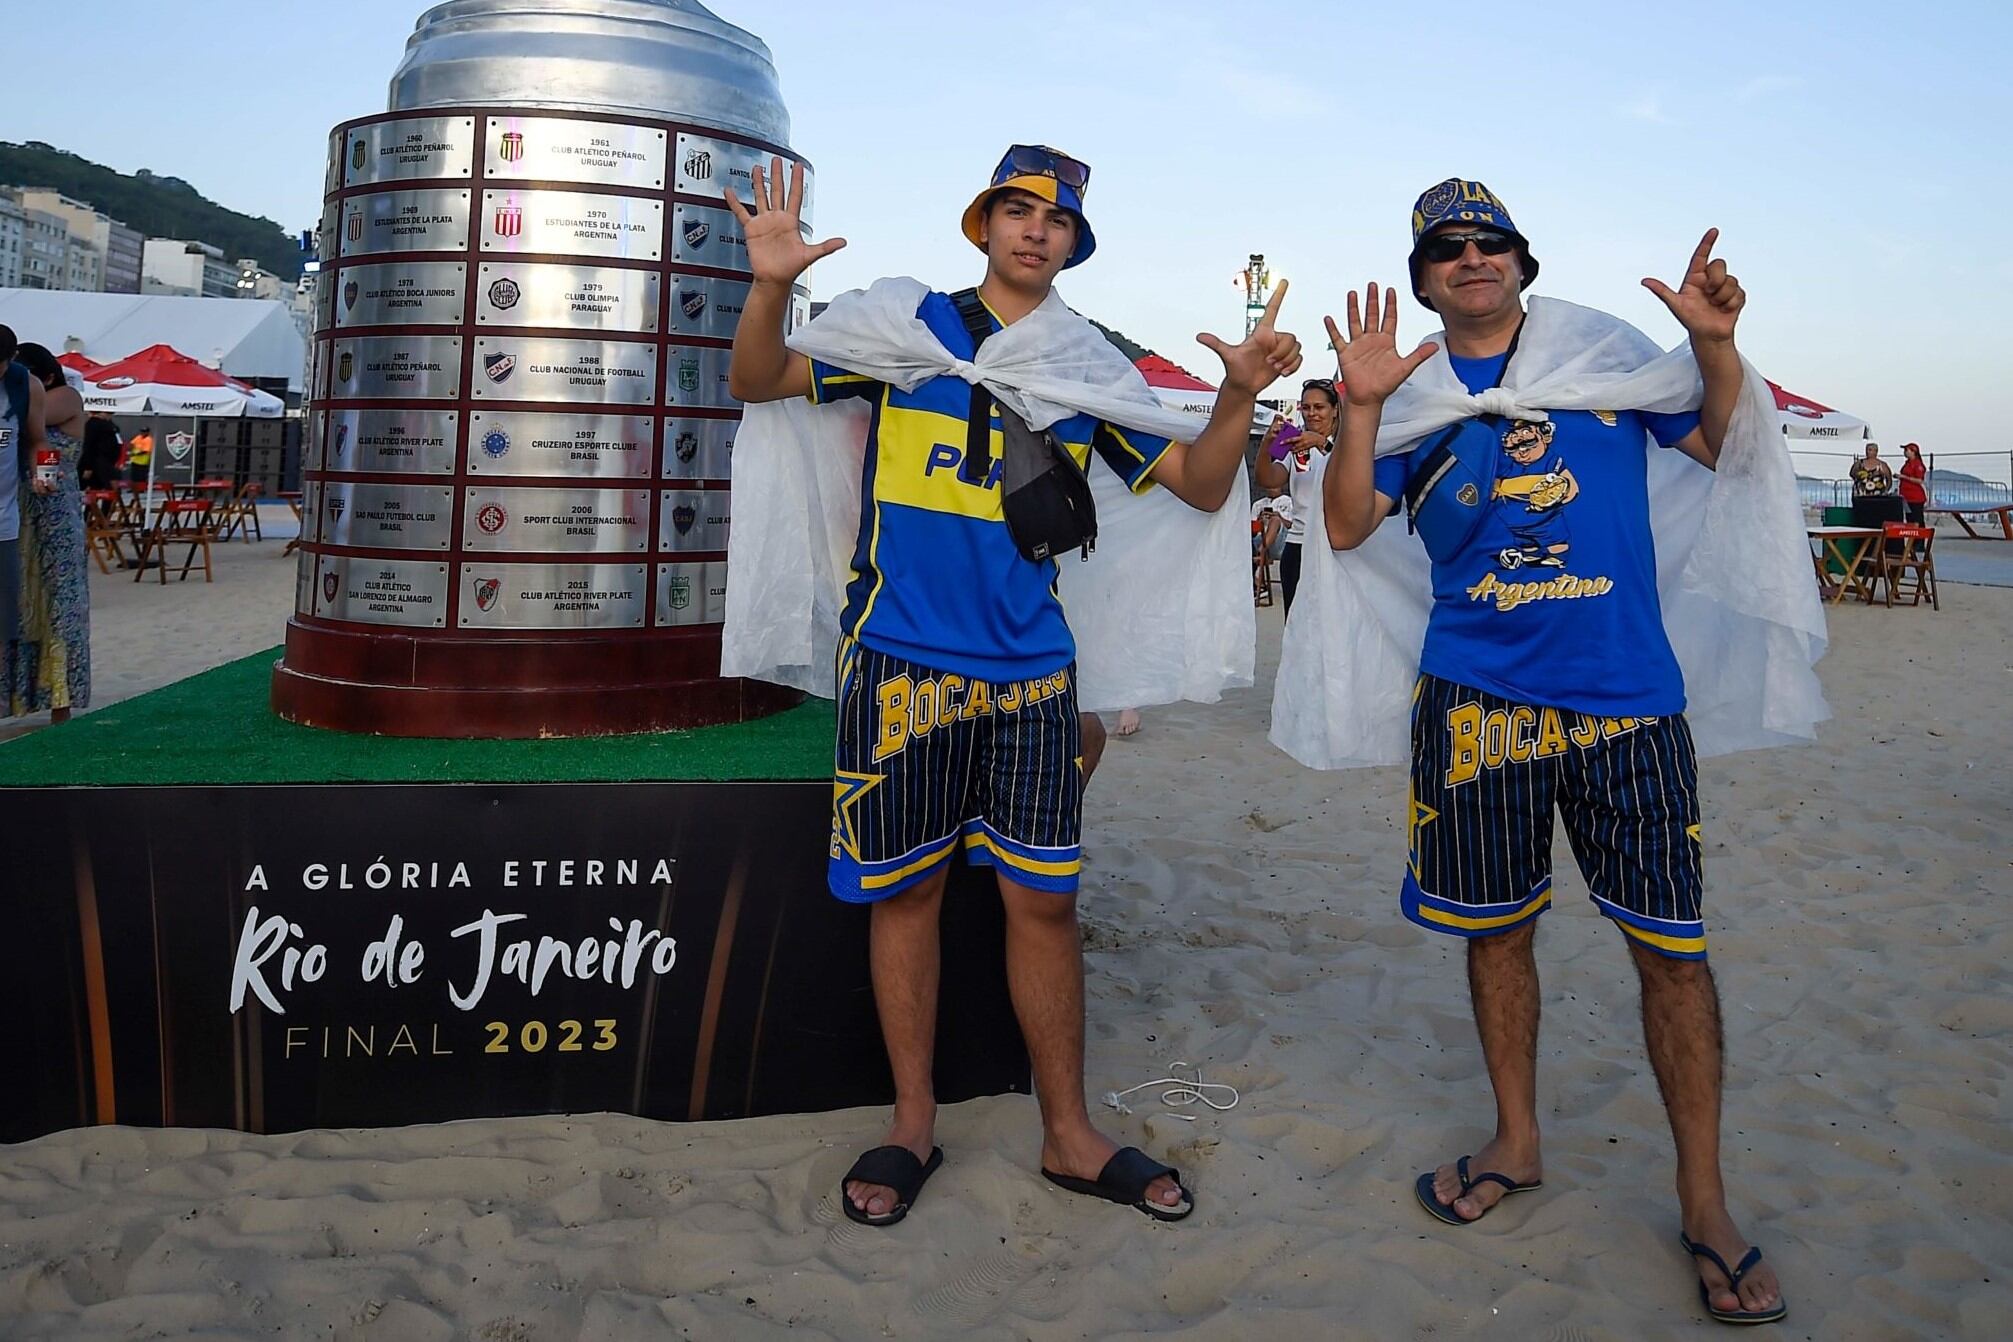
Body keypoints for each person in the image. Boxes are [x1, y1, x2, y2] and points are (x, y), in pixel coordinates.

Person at [725, 145, 1300, 1227]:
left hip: (1033, 672)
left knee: (1045, 898)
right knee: (908, 894)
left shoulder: (1086, 367)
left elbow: (1206, 483)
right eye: (1017, 209)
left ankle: (1068, 1130)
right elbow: (758, 380)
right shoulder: (905, 331)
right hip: (897, 657)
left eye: (1057, 218)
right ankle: (911, 1123)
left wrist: (1234, 394)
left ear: (1075, 243)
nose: (1037, 229)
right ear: (981, 223)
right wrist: (769, 288)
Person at [1318, 180, 1787, 1325]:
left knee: (1672, 952)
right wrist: (1366, 410)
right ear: (1425, 277)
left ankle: (1706, 1201)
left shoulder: (1608, 355)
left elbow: (1723, 444)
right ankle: (1517, 1142)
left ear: (1521, 263)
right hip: (1476, 707)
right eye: (1446, 249)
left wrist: (1715, 347)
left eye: (1491, 243)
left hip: (1628, 701)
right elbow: (1340, 525)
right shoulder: (1410, 387)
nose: (1470, 258)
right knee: (1495, 935)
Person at [7, 343, 91, 721]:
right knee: (21, 604)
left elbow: (31, 418)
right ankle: (20, 698)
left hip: (57, 515)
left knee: (60, 606)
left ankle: (61, 701)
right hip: (19, 512)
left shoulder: (65, 397)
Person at [1255, 378, 1339, 614]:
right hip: (1299, 544)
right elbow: (1268, 479)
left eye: (1319, 407)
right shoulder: (1294, 440)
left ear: (1334, 410)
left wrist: (1322, 443)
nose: (1312, 413)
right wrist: (1267, 444)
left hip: (1336, 546)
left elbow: (1349, 474)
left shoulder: (1348, 443)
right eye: (1306, 407)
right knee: (1294, 624)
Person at [79, 412, 122, 491]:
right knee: (107, 487)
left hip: (102, 461)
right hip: (103, 462)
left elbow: (88, 445)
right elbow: (88, 445)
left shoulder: (102, 424)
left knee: (95, 487)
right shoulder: (104, 426)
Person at [1898, 443, 1928, 525]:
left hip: (1915, 497)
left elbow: (1919, 480)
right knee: (1909, 518)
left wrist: (1904, 477)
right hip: (1906, 496)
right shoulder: (1907, 463)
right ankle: (1912, 536)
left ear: (1913, 451)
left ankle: (1920, 537)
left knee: (1917, 519)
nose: (1905, 452)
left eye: (1906, 450)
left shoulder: (1917, 464)